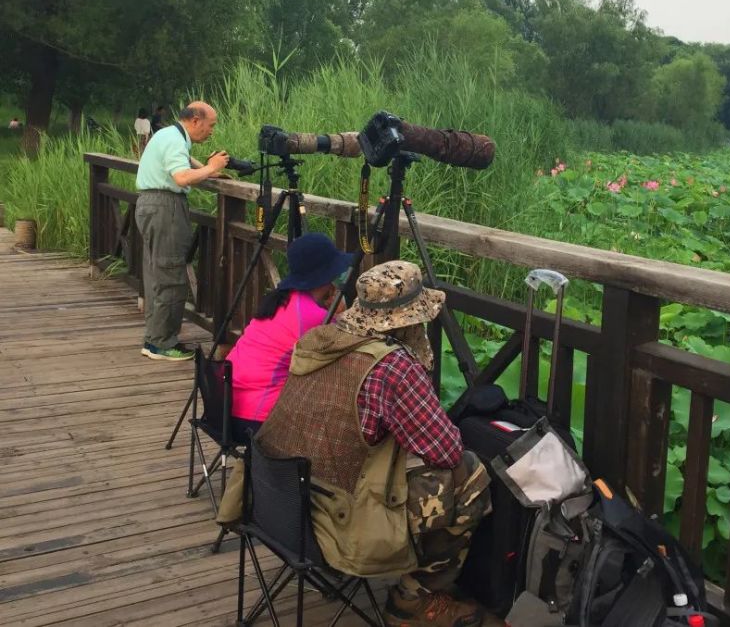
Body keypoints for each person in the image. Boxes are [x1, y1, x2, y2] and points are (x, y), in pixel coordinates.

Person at [243, 260, 497, 627]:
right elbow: (446, 451)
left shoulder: (320, 340)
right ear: (411, 319)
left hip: (283, 506)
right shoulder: (392, 366)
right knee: (470, 476)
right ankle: (413, 599)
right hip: (338, 522)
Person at [225, 233, 352, 438]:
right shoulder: (313, 316)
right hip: (259, 421)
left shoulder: (279, 300)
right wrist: (341, 309)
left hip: (226, 409)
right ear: (328, 275)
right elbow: (351, 339)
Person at [135, 101, 229, 361]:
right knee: (171, 276)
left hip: (149, 204)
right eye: (211, 125)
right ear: (195, 120)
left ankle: (154, 340)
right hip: (165, 207)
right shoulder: (175, 140)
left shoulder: (167, 135)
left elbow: (184, 163)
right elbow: (181, 177)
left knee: (157, 275)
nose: (211, 131)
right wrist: (211, 169)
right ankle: (162, 344)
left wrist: (209, 171)